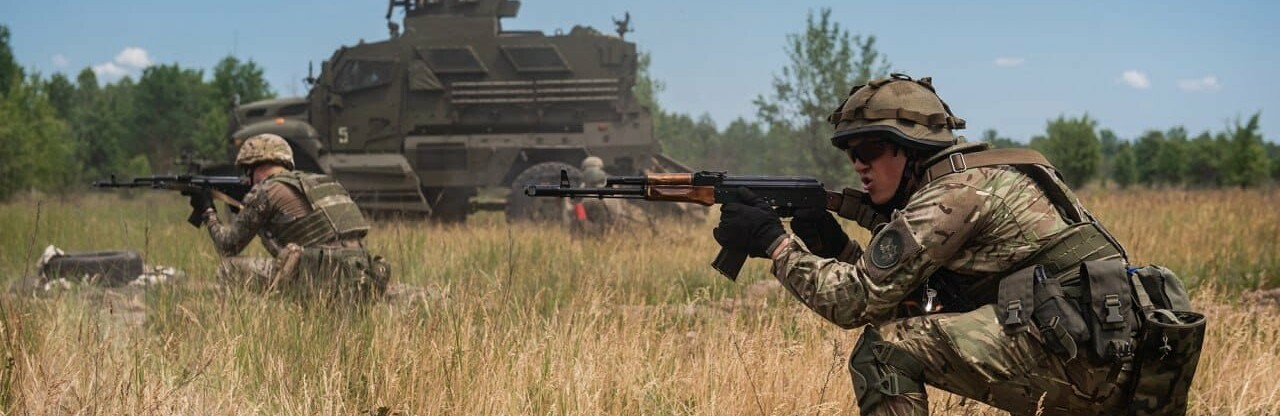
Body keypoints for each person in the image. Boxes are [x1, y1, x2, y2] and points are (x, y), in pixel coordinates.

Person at [712, 74, 1203, 415]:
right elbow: (901, 296)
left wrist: (774, 243)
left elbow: (857, 302)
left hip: (1089, 364)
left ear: (911, 150)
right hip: (1099, 356)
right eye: (850, 153)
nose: (857, 165)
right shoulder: (978, 176)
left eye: (869, 150)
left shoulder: (952, 197)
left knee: (884, 350)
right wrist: (829, 240)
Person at [187, 133, 389, 301]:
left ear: (253, 166)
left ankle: (251, 329)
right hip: (361, 275)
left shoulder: (267, 190)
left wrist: (208, 211)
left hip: (318, 278)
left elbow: (227, 246)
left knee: (228, 269)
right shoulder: (322, 182)